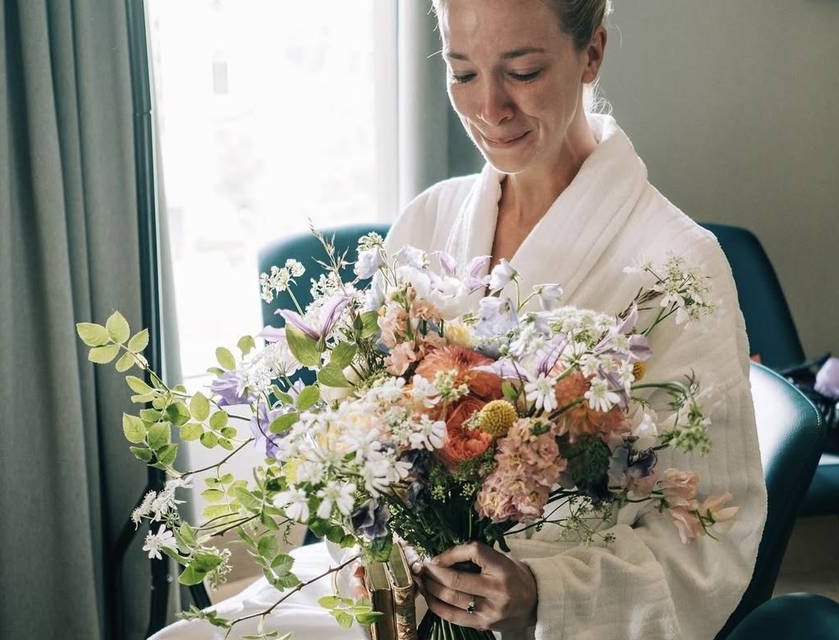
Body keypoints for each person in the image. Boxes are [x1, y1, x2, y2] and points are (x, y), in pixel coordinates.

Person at [153, 0, 767, 638]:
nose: (490, 110)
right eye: (463, 72)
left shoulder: (675, 263)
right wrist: (378, 554)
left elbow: (712, 544)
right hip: (401, 601)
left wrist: (544, 595)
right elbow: (366, 445)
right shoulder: (430, 220)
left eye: (523, 72)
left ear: (593, 52)